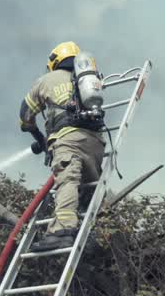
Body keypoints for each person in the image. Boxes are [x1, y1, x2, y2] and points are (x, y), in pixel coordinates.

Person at [19, 41, 107, 252]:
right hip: (95, 142)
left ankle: (62, 231)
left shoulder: (46, 80)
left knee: (67, 181)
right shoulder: (87, 80)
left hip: (68, 140)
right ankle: (93, 234)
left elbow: (25, 118)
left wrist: (39, 137)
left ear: (54, 61)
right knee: (89, 189)